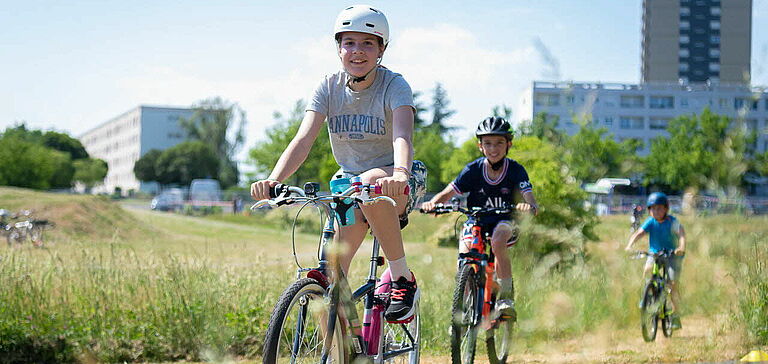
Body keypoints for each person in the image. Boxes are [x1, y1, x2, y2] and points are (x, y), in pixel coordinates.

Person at [250, 5, 426, 322]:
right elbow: (303, 140)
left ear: (381, 49)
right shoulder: (328, 87)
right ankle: (343, 348)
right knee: (332, 277)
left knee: (371, 181)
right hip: (349, 183)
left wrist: (400, 173)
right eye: (349, 42)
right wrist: (272, 180)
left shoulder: (394, 85)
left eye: (367, 43)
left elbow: (403, 136)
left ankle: (402, 278)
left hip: (394, 180)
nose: (357, 51)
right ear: (339, 47)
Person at [420, 116, 538, 319]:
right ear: (480, 146)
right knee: (465, 252)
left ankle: (505, 299)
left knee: (498, 240)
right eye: (488, 143)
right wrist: (433, 203)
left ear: (508, 144)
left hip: (505, 220)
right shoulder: (472, 170)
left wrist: (528, 205)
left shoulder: (516, 170)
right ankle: (464, 304)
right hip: (477, 219)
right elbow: (447, 193)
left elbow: (530, 199)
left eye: (499, 142)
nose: (494, 148)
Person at [625, 192, 687, 329]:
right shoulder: (650, 222)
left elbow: (681, 233)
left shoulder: (672, 222)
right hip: (655, 253)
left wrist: (681, 247)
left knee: (672, 283)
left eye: (659, 208)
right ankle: (647, 296)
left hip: (672, 254)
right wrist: (630, 245)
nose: (656, 211)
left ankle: (676, 316)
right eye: (652, 208)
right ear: (649, 210)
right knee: (647, 271)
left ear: (666, 209)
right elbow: (639, 233)